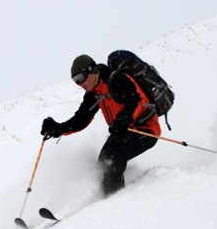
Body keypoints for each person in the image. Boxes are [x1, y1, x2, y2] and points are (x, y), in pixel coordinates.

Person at [40, 53, 160, 197]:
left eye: (80, 78)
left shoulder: (117, 79)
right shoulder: (94, 92)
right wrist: (58, 129)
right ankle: (106, 195)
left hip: (145, 129)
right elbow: (82, 119)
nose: (80, 84)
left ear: (92, 71)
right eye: (75, 81)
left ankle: (115, 200)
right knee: (103, 162)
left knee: (113, 155)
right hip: (122, 132)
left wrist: (123, 119)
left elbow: (136, 100)